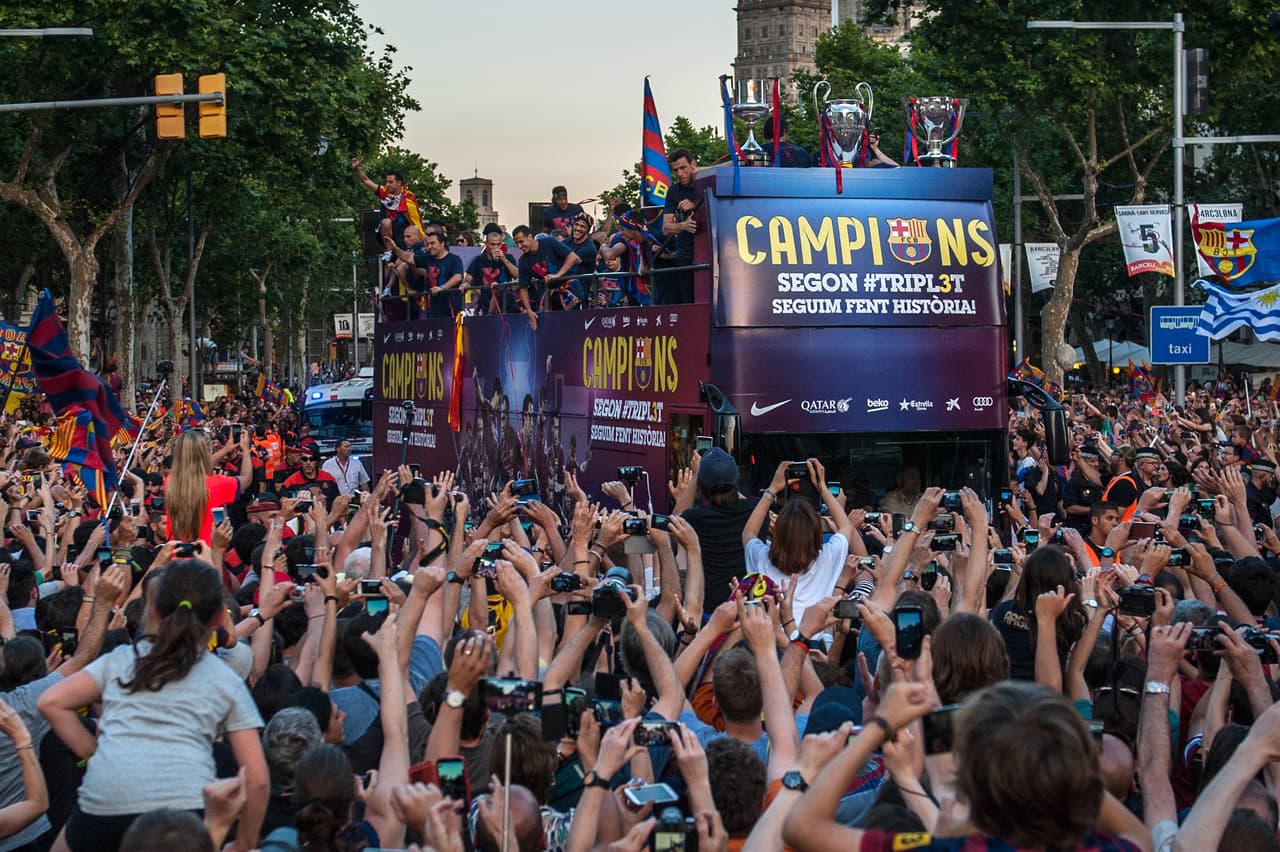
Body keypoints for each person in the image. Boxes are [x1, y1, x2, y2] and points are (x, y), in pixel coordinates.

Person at [37, 559, 270, 851]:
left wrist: (94, 752)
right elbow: (258, 780)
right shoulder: (224, 678)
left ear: (155, 612)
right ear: (218, 621)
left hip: (107, 798)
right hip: (187, 805)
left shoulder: (121, 659)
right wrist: (243, 844)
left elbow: (51, 701)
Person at [741, 459, 854, 625]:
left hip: (771, 644)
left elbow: (749, 533)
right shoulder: (826, 558)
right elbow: (846, 527)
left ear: (777, 532)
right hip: (815, 645)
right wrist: (822, 487)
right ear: (816, 533)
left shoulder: (761, 558)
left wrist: (772, 489)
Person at [677, 448, 757, 610]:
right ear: (737, 481)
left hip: (706, 608)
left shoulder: (693, 518)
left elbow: (674, 520)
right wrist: (728, 482)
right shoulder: (755, 510)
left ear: (702, 485)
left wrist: (698, 476)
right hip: (746, 606)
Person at [166, 428, 252, 545]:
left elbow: (194, 466)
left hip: (175, 556)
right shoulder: (219, 484)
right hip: (206, 555)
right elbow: (246, 478)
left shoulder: (169, 482)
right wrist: (245, 450)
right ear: (207, 452)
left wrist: (226, 450)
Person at [351, 158, 423, 261]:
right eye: (387, 182)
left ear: (399, 183)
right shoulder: (384, 192)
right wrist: (356, 169)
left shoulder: (408, 197)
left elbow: (416, 219)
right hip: (387, 232)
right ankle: (388, 251)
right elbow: (366, 181)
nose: (388, 184)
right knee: (386, 222)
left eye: (391, 182)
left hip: (403, 232)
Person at [388, 227, 465, 319]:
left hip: (452, 309)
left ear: (442, 243)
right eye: (428, 244)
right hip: (432, 310)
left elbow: (458, 277)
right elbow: (408, 258)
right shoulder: (427, 258)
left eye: (432, 243)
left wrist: (442, 288)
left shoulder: (454, 259)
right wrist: (394, 248)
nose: (429, 247)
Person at [657, 148, 699, 305]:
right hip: (685, 253)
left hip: (711, 250)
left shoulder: (708, 182)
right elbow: (666, 227)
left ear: (693, 164)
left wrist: (695, 207)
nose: (680, 173)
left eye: (683, 168)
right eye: (676, 170)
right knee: (688, 301)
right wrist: (683, 225)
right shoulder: (674, 191)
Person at [512, 225, 580, 323]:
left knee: (574, 324)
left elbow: (572, 257)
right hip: (549, 294)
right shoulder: (523, 261)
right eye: (516, 243)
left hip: (569, 289)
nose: (519, 246)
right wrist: (529, 311)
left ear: (530, 237)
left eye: (521, 242)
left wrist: (558, 275)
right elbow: (523, 288)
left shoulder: (549, 242)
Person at [465, 226, 523, 316]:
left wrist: (505, 260)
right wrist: (477, 290)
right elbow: (468, 279)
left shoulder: (508, 257)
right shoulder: (478, 260)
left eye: (498, 244)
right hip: (487, 305)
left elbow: (518, 275)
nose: (496, 247)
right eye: (492, 244)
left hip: (507, 304)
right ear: (486, 244)